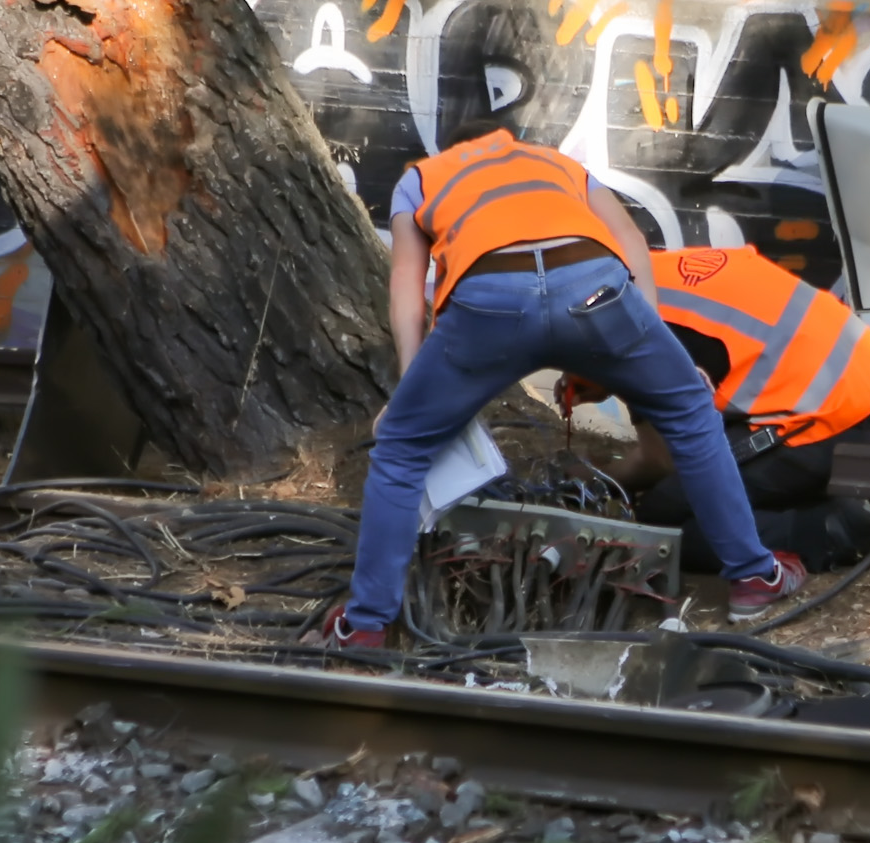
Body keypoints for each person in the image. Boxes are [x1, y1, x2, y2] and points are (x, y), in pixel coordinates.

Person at [337, 124, 804, 647]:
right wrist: (656, 348)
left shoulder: (421, 179)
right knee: (690, 410)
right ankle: (752, 577)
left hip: (489, 298)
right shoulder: (552, 163)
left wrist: (407, 387)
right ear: (507, 139)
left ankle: (365, 628)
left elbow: (406, 283)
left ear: (450, 151)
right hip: (591, 285)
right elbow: (629, 241)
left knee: (401, 448)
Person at [575, 245, 870, 570]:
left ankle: (829, 531)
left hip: (829, 409)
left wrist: (596, 484)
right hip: (862, 372)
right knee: (701, 475)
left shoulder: (630, 334)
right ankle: (812, 499)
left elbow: (660, 461)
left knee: (661, 518)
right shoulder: (647, 271)